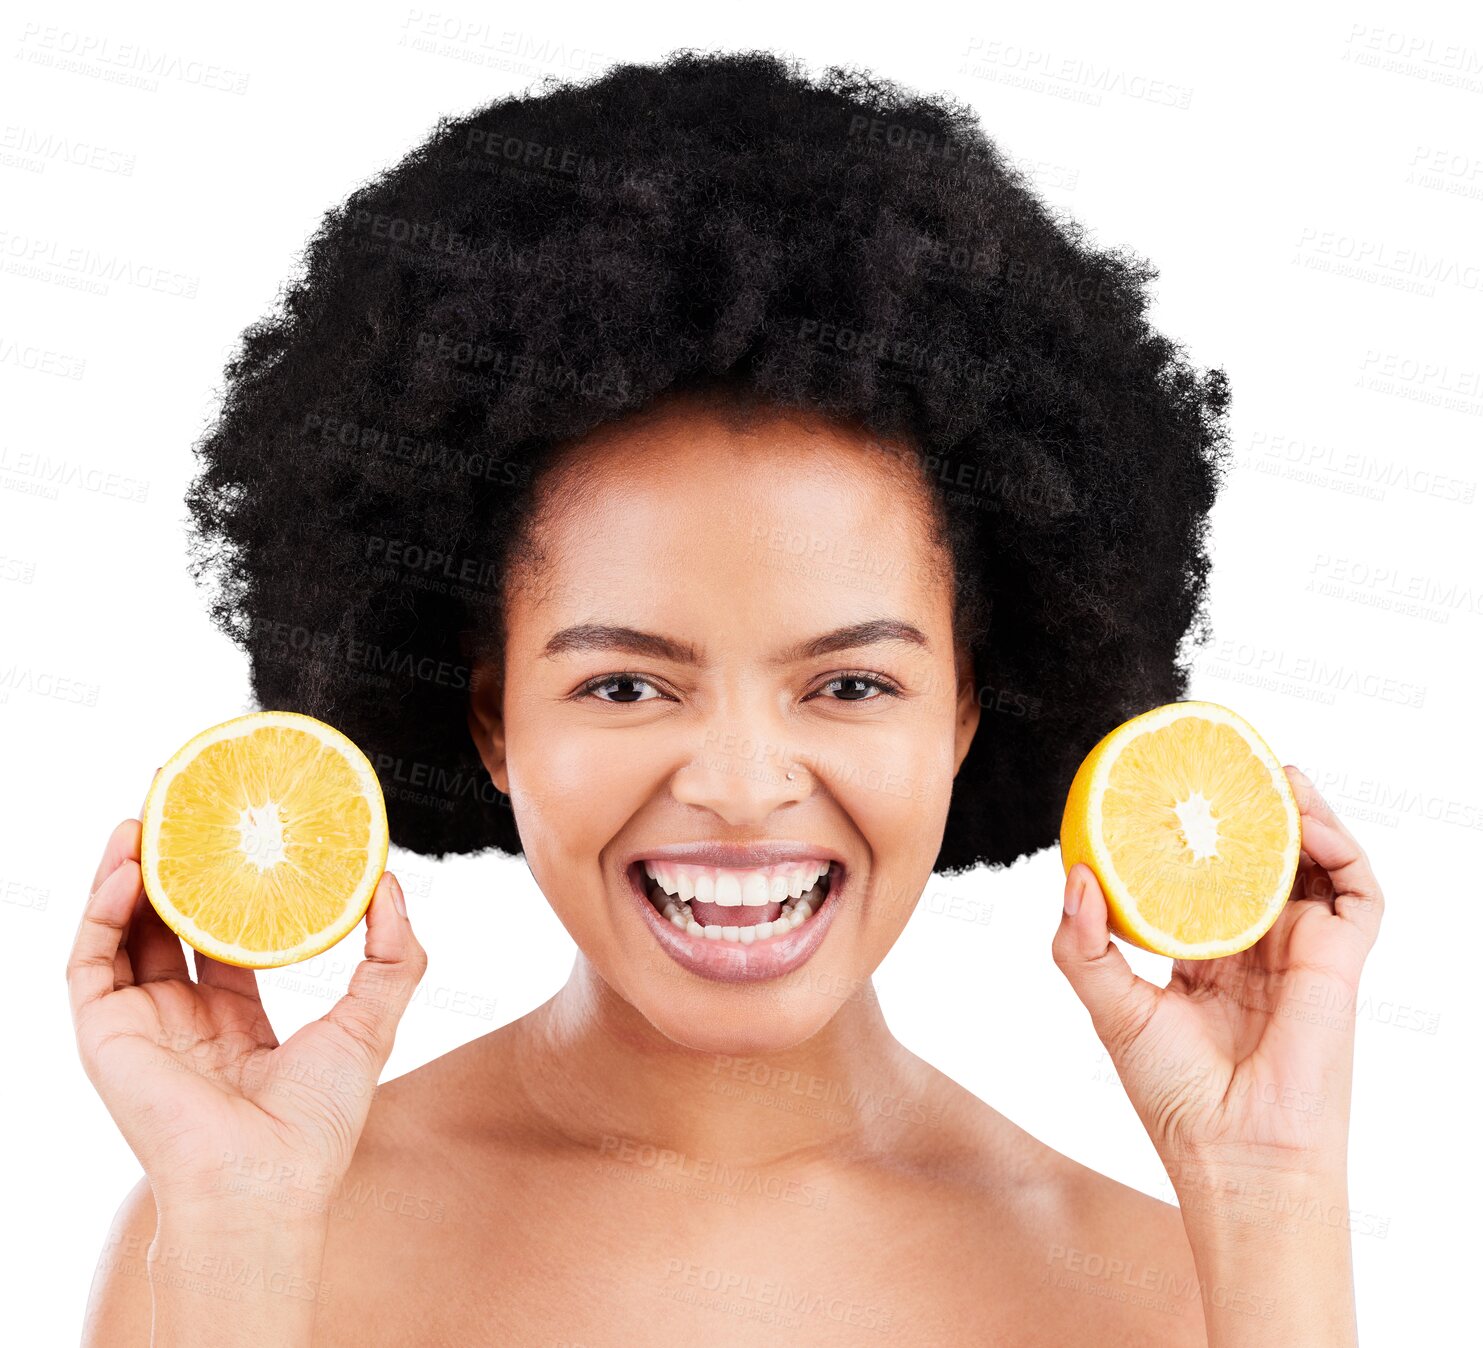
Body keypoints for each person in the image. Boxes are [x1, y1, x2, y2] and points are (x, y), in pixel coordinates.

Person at [71, 49, 1384, 1345]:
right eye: (628, 683)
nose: (744, 786)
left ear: (971, 708)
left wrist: (1269, 1193)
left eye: (852, 682)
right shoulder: (246, 1234)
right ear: (489, 717)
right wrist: (238, 1227)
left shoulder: (1167, 1292)